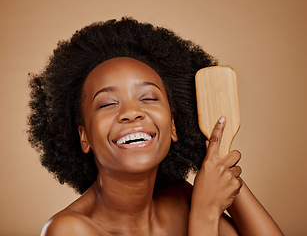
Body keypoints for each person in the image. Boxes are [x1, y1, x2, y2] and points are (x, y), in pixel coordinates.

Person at [28, 17, 283, 235]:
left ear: (174, 125)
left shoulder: (182, 198)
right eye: (107, 103)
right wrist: (205, 214)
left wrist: (216, 156)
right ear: (84, 136)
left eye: (148, 98)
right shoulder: (68, 230)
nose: (131, 113)